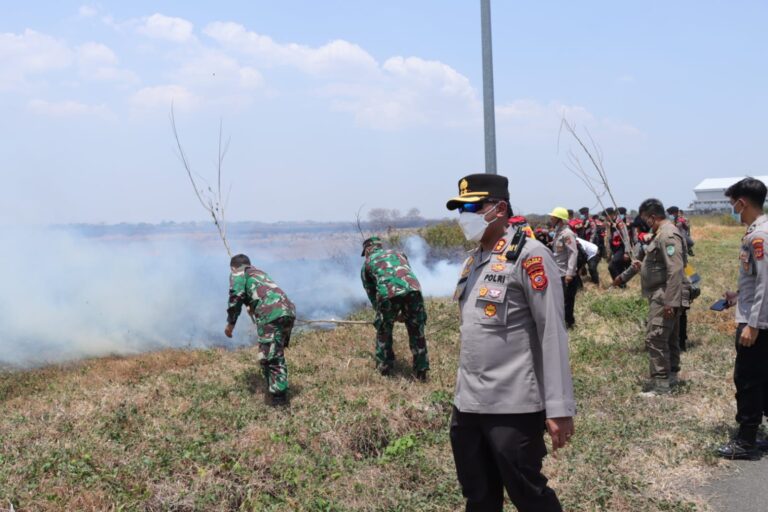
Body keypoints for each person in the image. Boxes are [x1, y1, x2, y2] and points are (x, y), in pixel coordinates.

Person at [446, 173, 576, 512]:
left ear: (499, 208)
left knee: (529, 495)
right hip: (468, 405)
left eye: (472, 206)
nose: (465, 215)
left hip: (513, 407)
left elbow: (552, 332)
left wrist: (559, 407)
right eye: (461, 208)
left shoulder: (530, 256)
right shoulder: (472, 261)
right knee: (478, 497)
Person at [613, 199, 686, 396]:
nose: (645, 223)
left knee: (655, 337)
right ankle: (672, 375)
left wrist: (670, 300)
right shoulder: (659, 234)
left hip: (664, 293)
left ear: (652, 217)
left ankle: (661, 385)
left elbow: (675, 269)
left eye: (645, 219)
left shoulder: (668, 234)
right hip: (661, 291)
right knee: (669, 336)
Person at [717, 177, 768, 460]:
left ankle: (746, 441)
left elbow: (765, 283)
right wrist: (737, 297)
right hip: (758, 316)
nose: (732, 208)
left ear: (742, 202)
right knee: (763, 378)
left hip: (756, 322)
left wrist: (753, 324)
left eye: (732, 203)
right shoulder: (759, 231)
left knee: (747, 379)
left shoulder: (758, 236)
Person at [225, 254, 296, 406]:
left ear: (233, 267)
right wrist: (252, 307)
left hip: (271, 313)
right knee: (272, 353)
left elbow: (235, 298)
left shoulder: (238, 273)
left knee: (271, 357)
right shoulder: (258, 273)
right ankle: (275, 390)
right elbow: (261, 295)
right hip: (288, 311)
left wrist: (230, 325)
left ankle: (280, 401)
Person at [361, 236, 430, 380]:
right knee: (417, 330)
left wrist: (385, 316)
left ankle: (384, 369)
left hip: (388, 294)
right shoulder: (399, 254)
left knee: (384, 331)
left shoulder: (367, 263)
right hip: (413, 290)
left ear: (368, 250)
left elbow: (372, 295)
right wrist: (404, 314)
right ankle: (421, 370)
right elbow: (406, 275)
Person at [550, 207, 580, 328]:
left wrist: (570, 273)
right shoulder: (558, 232)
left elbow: (573, 253)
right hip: (558, 271)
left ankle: (569, 323)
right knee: (559, 300)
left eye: (553, 217)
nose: (551, 219)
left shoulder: (567, 234)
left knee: (567, 300)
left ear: (559, 219)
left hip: (565, 273)